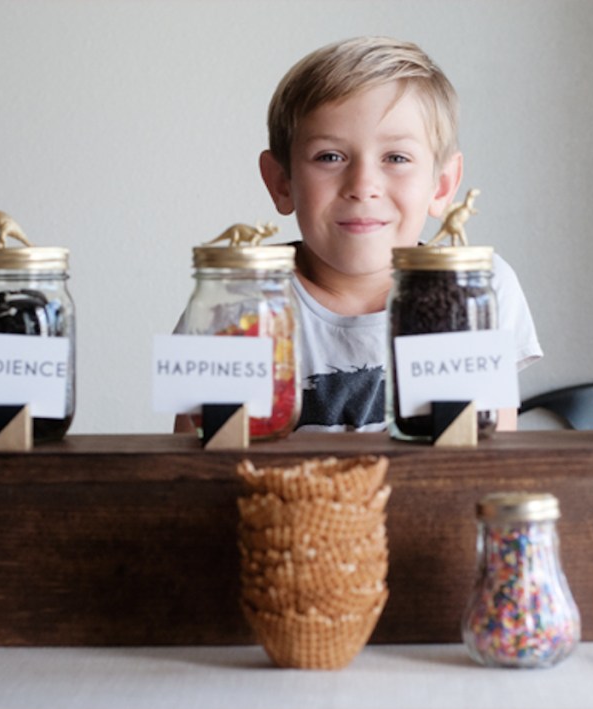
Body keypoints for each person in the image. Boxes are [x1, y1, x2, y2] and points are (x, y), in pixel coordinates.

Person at [177, 36, 541, 433]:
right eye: (330, 157)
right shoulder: (236, 301)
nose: (363, 185)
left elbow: (491, 456)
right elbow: (196, 465)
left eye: (396, 158)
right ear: (282, 182)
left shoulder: (477, 288)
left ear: (441, 186)